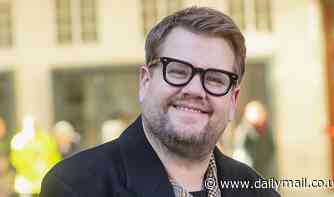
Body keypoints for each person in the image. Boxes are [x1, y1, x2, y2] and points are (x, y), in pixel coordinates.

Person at [40, 7, 280, 197]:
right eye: (177, 71)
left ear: (233, 100)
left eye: (215, 79)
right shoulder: (76, 186)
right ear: (145, 82)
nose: (195, 90)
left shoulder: (259, 192)